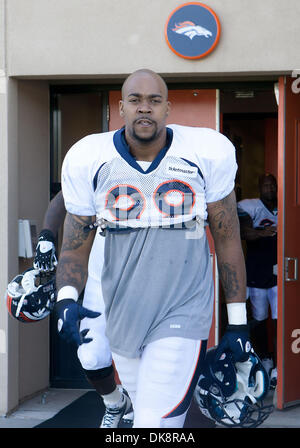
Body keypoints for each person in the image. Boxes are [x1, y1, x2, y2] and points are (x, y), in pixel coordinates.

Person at [54, 68, 250, 428]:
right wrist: (67, 297)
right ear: (121, 107)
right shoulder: (89, 156)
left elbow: (226, 236)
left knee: (154, 423)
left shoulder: (206, 151)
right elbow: (75, 239)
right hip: (122, 305)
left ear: (168, 108)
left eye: (154, 101)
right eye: (136, 100)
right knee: (142, 409)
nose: (145, 108)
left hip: (182, 303)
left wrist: (238, 322)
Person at [34, 191, 133, 428]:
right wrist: (47, 235)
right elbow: (65, 196)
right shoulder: (96, 156)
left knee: (138, 353)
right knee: (91, 356)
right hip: (103, 269)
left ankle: (142, 405)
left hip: (146, 270)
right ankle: (115, 402)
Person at [237, 173, 278, 388]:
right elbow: (244, 233)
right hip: (256, 273)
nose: (270, 188)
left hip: (280, 274)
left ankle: (280, 364)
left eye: (273, 184)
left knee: (280, 320)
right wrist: (263, 233)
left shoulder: (285, 208)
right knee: (260, 320)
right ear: (260, 187)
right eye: (266, 185)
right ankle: (266, 359)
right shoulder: (249, 206)